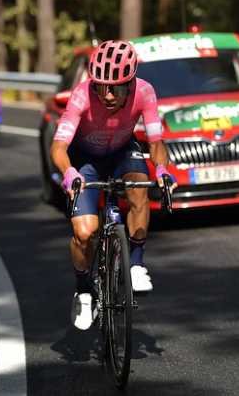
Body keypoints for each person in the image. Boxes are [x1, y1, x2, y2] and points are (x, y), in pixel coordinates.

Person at [50, 40, 177, 330]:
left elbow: (156, 142)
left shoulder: (145, 92)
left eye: (116, 88)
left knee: (139, 186)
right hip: (85, 158)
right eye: (100, 86)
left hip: (123, 151)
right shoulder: (81, 96)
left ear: (130, 83)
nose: (107, 94)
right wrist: (69, 173)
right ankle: (83, 289)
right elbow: (58, 147)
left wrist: (161, 169)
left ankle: (136, 262)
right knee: (85, 233)